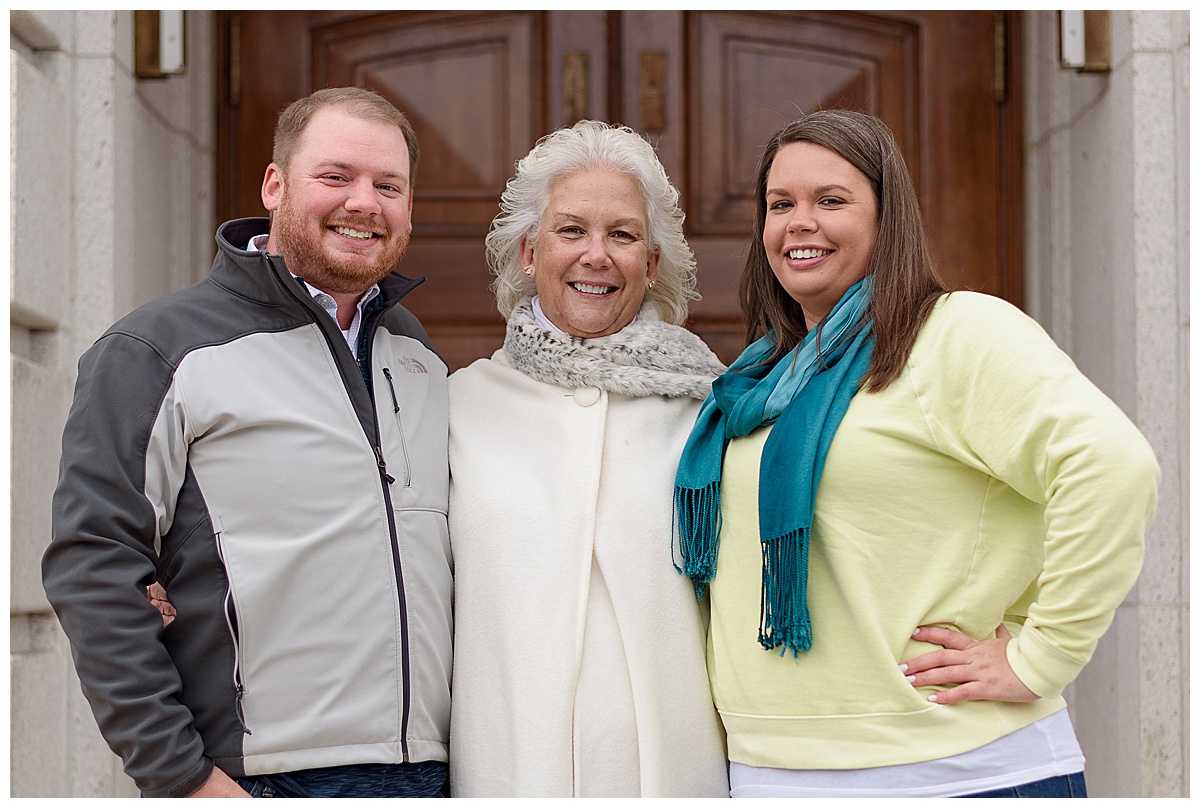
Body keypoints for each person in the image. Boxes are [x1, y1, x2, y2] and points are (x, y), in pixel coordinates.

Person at [673, 109, 1160, 798]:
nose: (799, 222)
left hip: (957, 770)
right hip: (773, 773)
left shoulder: (954, 334)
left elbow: (1112, 466)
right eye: (780, 204)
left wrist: (1040, 654)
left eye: (831, 201)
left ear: (886, 219)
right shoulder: (757, 379)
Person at [42, 87, 453, 798]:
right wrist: (184, 778)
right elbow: (95, 564)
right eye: (335, 177)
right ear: (274, 184)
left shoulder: (414, 353)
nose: (364, 202)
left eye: (388, 185)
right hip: (262, 781)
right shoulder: (156, 350)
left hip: (435, 771)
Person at [447, 120, 730, 797]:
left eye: (623, 235)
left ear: (652, 264)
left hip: (674, 774)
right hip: (506, 773)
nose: (595, 255)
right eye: (571, 231)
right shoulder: (455, 407)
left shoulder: (713, 409)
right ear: (527, 252)